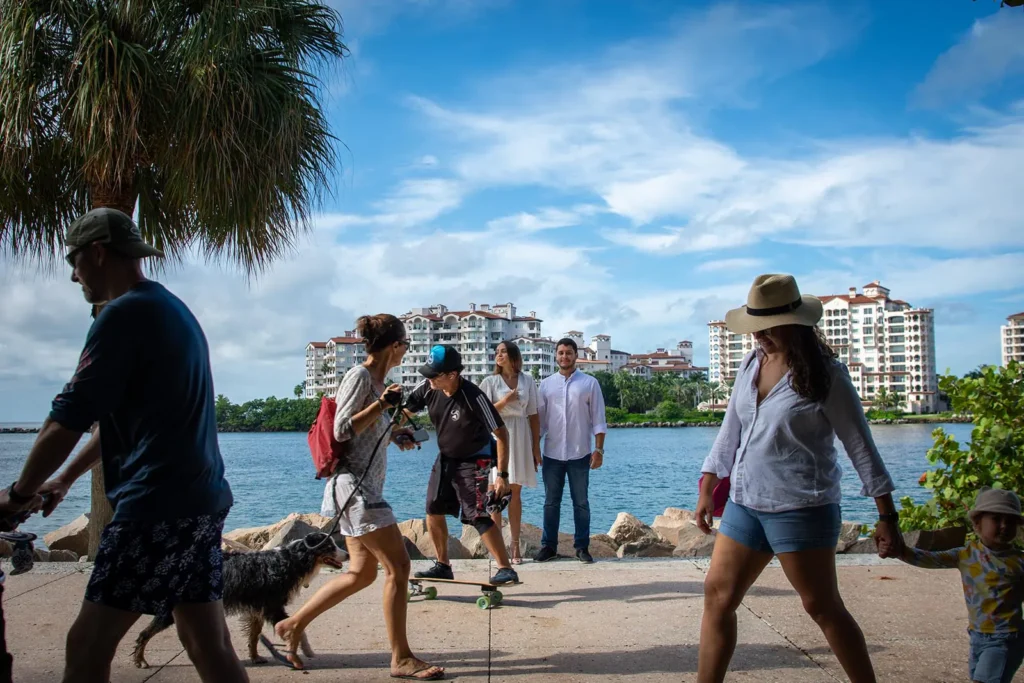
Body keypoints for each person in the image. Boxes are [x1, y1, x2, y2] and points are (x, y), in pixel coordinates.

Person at [0, 207, 248, 683]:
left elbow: (67, 417)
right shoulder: (169, 307)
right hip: (200, 501)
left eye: (74, 262)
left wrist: (16, 494)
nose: (73, 276)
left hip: (156, 508)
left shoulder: (123, 314)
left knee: (87, 644)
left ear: (97, 253)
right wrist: (64, 478)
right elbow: (117, 420)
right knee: (205, 641)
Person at [694, 273, 903, 683]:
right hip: (744, 502)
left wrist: (887, 515)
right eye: (756, 328)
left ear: (795, 323)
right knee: (717, 596)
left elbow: (861, 447)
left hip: (801, 508)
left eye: (768, 328)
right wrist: (707, 484)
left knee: (822, 607)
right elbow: (729, 431)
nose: (760, 337)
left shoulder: (827, 375)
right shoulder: (752, 363)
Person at [273, 314, 443, 679]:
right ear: (395, 345)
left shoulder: (380, 383)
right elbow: (343, 428)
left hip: (361, 489)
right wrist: (382, 405)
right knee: (398, 567)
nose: (406, 351)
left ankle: (293, 624)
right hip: (354, 489)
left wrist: (398, 436)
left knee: (361, 573)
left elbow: (368, 431)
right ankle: (401, 658)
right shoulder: (361, 376)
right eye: (406, 345)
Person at [403, 345, 519, 585]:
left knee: (475, 512)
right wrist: (392, 424)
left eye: (435, 374)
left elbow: (501, 433)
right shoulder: (428, 388)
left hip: (475, 458)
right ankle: (443, 565)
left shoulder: (473, 396)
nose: (429, 379)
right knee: (433, 509)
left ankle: (506, 568)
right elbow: (405, 412)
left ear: (452, 375)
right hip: (446, 457)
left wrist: (502, 475)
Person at [889, 487, 1024, 683]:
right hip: (977, 636)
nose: (1004, 526)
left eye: (1010, 521)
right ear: (977, 523)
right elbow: (929, 559)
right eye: (996, 519)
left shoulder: (1019, 561)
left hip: (1007, 637)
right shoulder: (966, 555)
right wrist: (900, 551)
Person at [534, 337, 607, 564]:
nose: (564, 356)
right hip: (552, 454)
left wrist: (599, 450)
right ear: (556, 356)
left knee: (581, 503)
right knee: (550, 502)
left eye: (568, 352)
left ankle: (582, 547)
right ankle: (548, 546)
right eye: (561, 352)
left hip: (580, 453)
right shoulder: (545, 385)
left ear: (576, 355)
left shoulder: (589, 383)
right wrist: (534, 448)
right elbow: (541, 422)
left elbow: (598, 419)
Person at [479, 341, 542, 565]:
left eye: (503, 351)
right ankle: (498, 549)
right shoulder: (489, 382)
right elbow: (482, 412)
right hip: (497, 434)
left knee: (515, 493)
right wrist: (506, 400)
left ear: (513, 356)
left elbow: (533, 414)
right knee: (495, 494)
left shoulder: (527, 380)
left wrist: (536, 447)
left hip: (520, 435)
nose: (499, 355)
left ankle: (515, 545)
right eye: (496, 352)